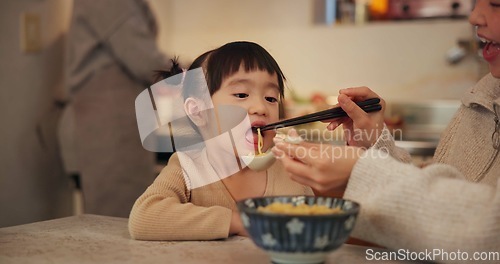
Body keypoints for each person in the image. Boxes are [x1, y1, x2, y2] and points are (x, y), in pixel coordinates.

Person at [272, 0, 500, 258]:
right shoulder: (484, 94)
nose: (474, 17)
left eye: (496, 4)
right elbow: (439, 206)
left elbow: (490, 234)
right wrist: (374, 142)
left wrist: (363, 172)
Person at [128, 41, 314, 241]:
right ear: (198, 112)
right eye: (241, 94)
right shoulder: (187, 168)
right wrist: (239, 222)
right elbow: (143, 217)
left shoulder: (290, 170)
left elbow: (314, 231)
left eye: (271, 98)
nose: (260, 107)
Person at [61, 0, 171, 217]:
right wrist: (203, 73)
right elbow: (144, 59)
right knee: (117, 221)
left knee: (119, 218)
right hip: (108, 125)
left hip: (110, 121)